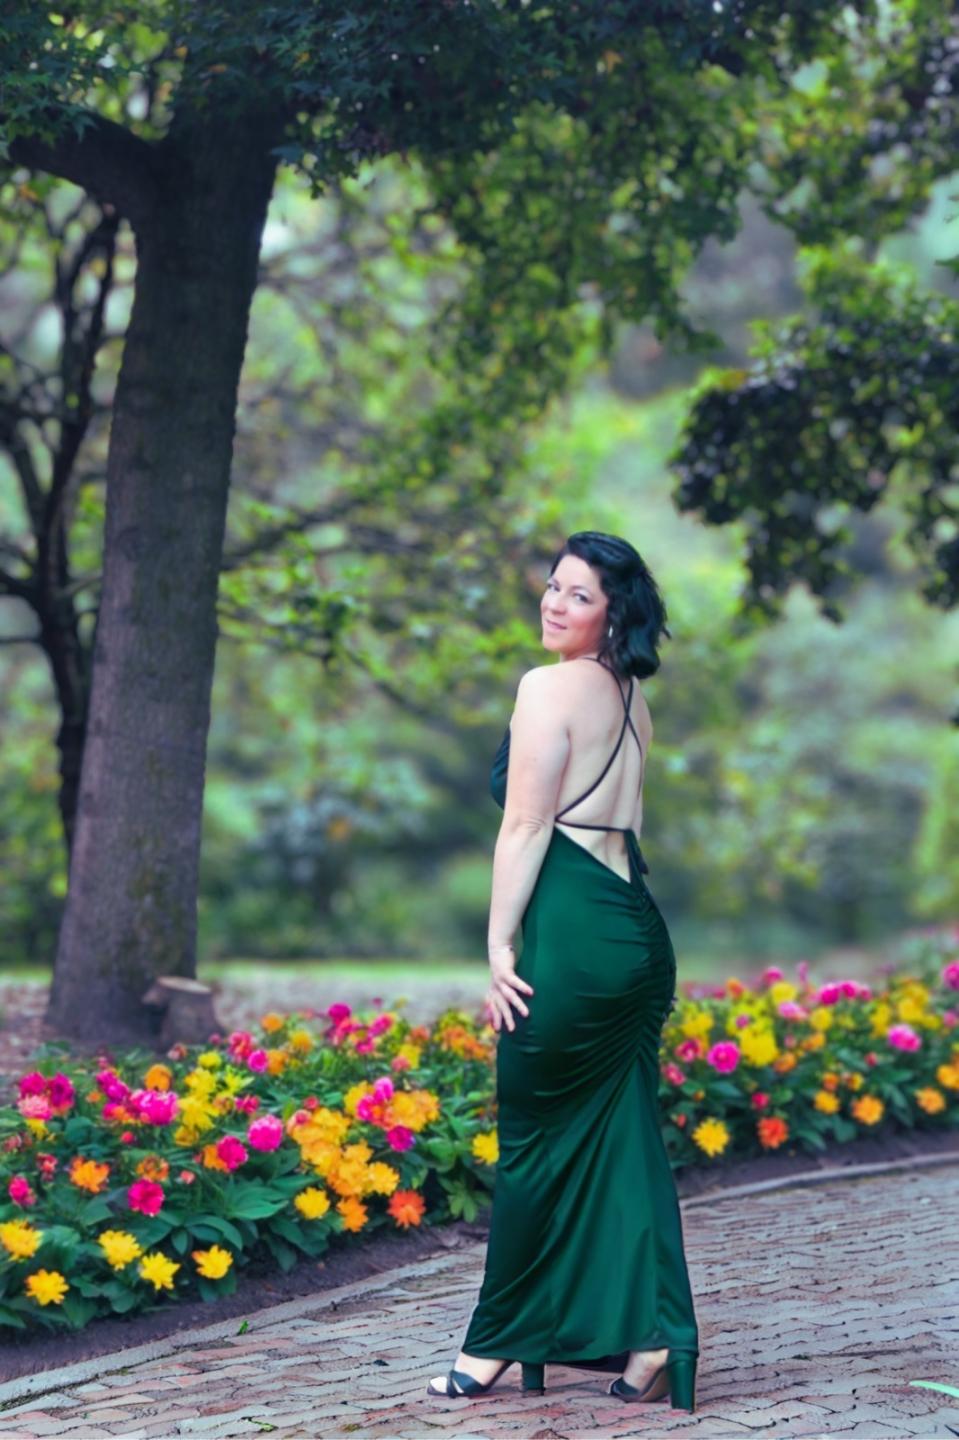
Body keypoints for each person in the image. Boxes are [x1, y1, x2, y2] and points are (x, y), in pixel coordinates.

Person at [427, 530, 700, 1409]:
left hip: (574, 937)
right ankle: (654, 1339)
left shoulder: (545, 688)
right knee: (620, 1143)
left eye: (578, 594)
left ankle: (493, 1343)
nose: (554, 602)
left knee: (534, 1146)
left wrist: (497, 946)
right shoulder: (630, 699)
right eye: (552, 586)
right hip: (633, 932)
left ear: (613, 613)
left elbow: (524, 824)